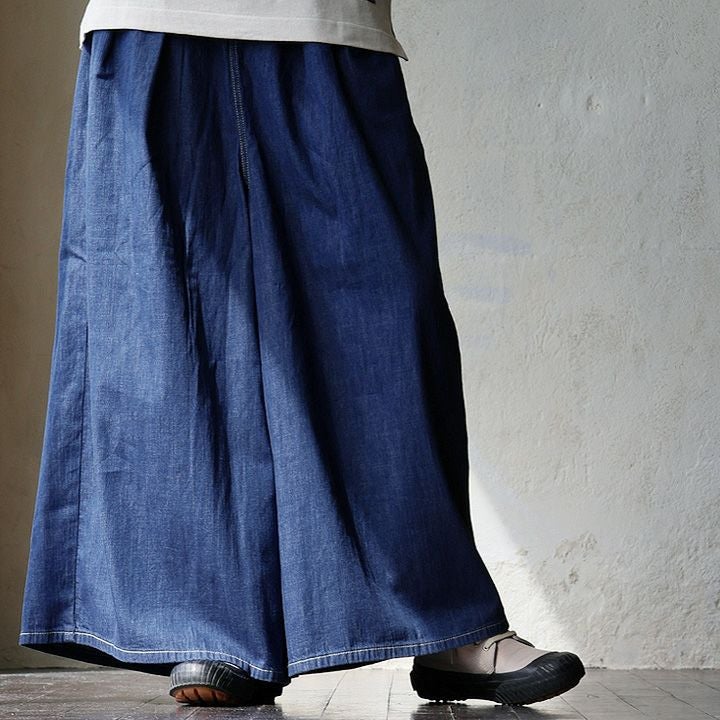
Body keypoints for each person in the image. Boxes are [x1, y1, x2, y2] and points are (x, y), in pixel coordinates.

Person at [18, 0, 585, 708]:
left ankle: (445, 626)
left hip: (328, 22)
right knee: (169, 330)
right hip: (154, 22)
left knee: (388, 326)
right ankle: (214, 631)